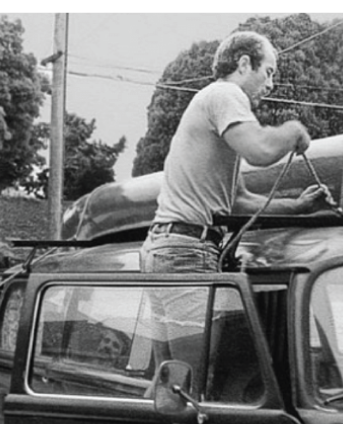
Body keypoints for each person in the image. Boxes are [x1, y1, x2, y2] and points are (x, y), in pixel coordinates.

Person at [139, 31, 331, 388]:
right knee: (191, 382)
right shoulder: (226, 94)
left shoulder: (209, 106)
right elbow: (259, 151)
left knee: (171, 382)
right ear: (244, 64)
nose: (270, 83)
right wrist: (292, 130)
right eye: (269, 71)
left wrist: (300, 206)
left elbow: (239, 201)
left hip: (167, 248)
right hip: (186, 253)